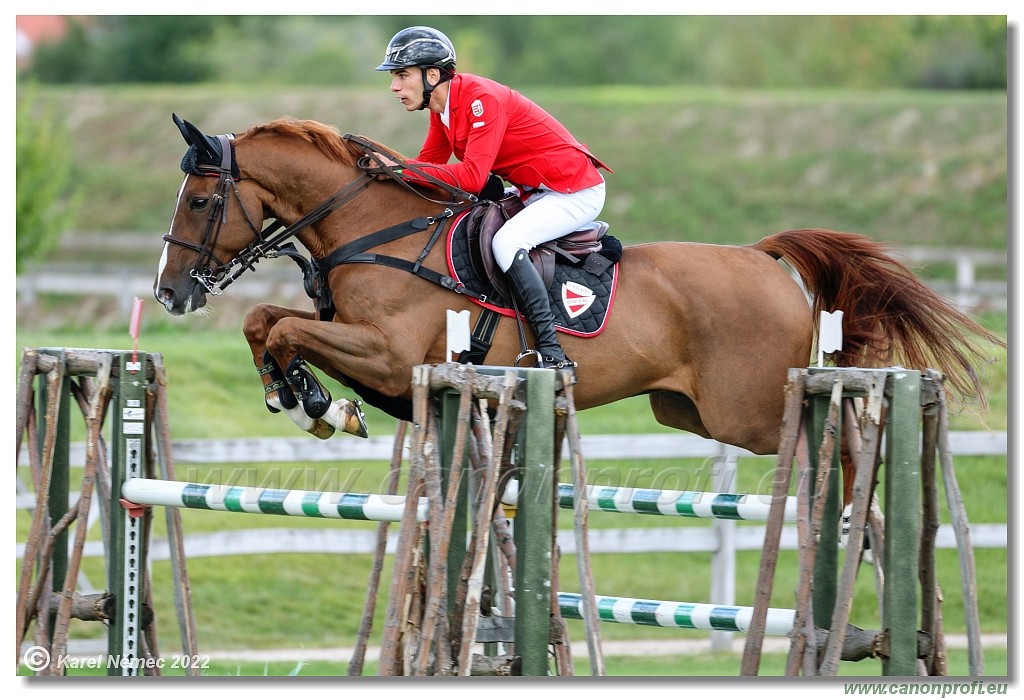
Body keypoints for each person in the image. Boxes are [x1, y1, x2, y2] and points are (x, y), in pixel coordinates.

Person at [375, 25, 612, 371]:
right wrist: (389, 172)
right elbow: (429, 164)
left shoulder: (480, 98)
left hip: (573, 190)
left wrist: (398, 169)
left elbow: (472, 176)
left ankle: (552, 351)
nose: (394, 87)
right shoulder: (441, 108)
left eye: (401, 75)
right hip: (537, 190)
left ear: (432, 75)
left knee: (507, 242)